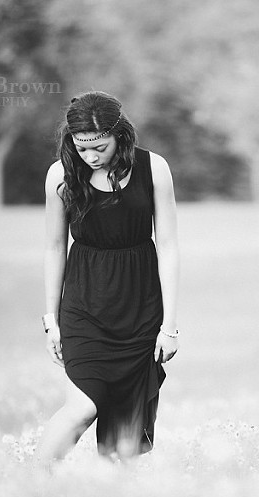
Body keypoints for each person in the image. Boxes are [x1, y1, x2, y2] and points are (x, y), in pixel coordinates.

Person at [36, 91, 180, 463]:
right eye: (82, 149)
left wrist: (170, 325)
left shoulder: (155, 169)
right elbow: (53, 247)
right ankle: (32, 482)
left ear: (121, 135)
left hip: (140, 306)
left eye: (99, 147)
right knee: (82, 408)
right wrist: (51, 319)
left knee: (126, 427)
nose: (91, 157)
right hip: (85, 304)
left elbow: (168, 246)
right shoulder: (60, 175)